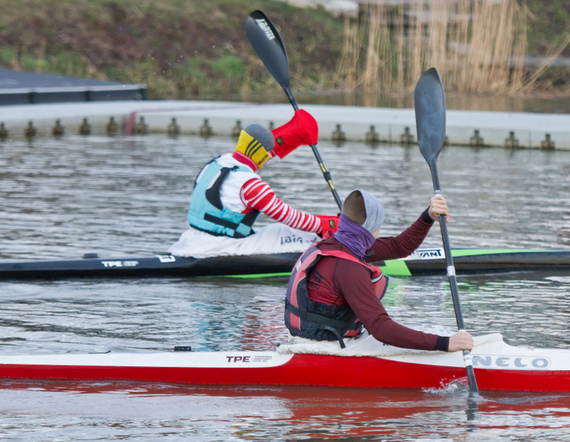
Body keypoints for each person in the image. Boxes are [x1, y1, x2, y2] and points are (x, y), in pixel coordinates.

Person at [284, 189, 475, 353]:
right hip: (325, 346)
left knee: (429, 331)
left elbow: (399, 246)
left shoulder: (341, 242)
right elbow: (381, 328)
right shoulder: (348, 268)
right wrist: (445, 343)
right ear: (369, 228)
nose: (379, 230)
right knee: (437, 336)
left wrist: (428, 216)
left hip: (319, 335)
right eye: (378, 226)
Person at [169, 110, 340, 258]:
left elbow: (261, 149)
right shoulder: (251, 185)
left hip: (193, 238)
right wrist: (333, 224)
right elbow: (292, 219)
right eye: (266, 155)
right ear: (262, 155)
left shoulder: (220, 161)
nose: (267, 158)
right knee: (291, 232)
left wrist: (296, 131)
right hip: (224, 246)